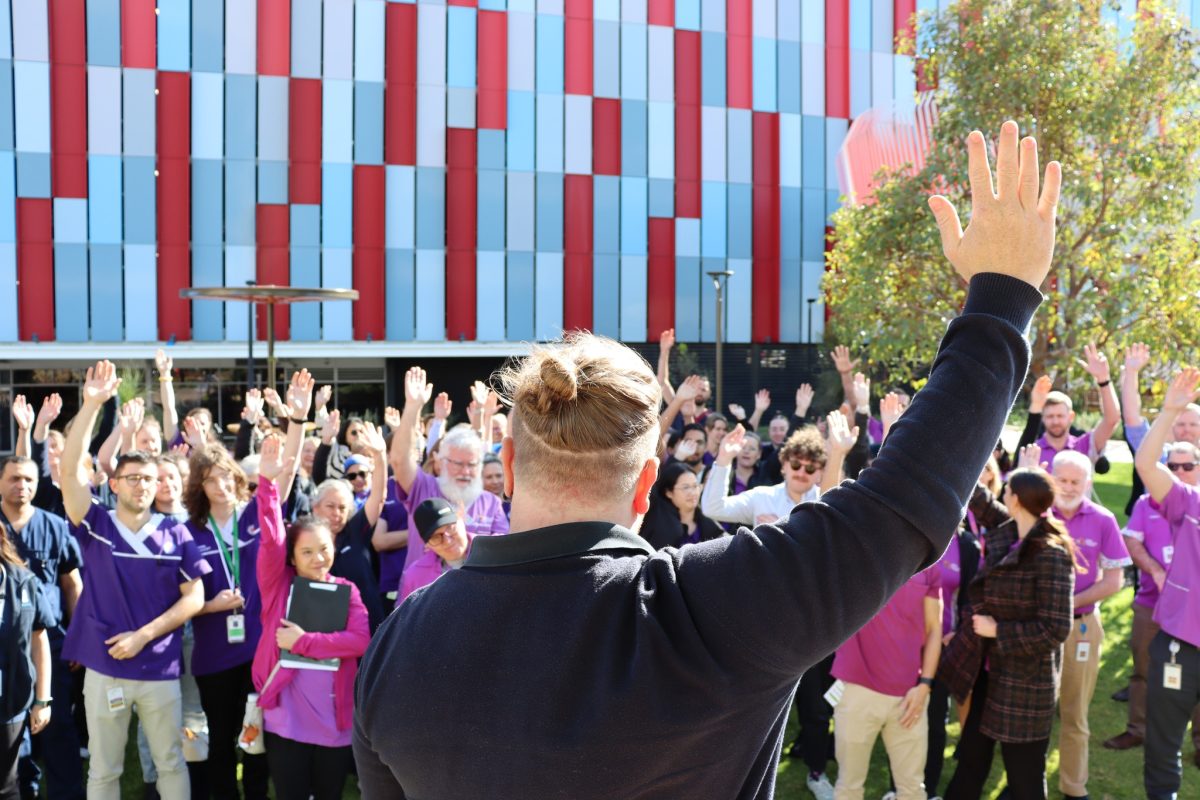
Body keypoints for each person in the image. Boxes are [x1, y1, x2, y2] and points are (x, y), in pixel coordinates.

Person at [351, 121, 1060, 797]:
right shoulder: (710, 609)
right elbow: (901, 507)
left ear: (507, 465)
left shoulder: (397, 648)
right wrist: (1001, 297)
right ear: (647, 484)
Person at [60, 360, 210, 800]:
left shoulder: (176, 532)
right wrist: (91, 405)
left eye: (150, 478)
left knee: (169, 762)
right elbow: (70, 472)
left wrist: (144, 635)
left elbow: (195, 596)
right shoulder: (96, 525)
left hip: (159, 667)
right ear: (116, 482)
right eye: (133, 478)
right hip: (105, 665)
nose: (143, 485)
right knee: (104, 770)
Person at [185, 382, 308, 800]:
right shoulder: (189, 532)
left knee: (257, 738)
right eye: (208, 479)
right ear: (198, 488)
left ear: (237, 478)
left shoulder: (257, 513)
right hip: (213, 654)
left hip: (259, 651)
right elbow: (174, 602)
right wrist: (207, 606)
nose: (219, 485)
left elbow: (285, 472)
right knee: (221, 740)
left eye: (224, 475)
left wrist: (297, 420)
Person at [939, 467, 1080, 800]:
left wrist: (997, 630)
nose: (1002, 496)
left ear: (1016, 500)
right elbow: (981, 501)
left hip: (1026, 688)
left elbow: (1056, 628)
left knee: (1025, 778)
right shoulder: (1011, 528)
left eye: (1006, 493)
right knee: (971, 760)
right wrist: (964, 450)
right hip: (990, 675)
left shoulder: (1051, 553)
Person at [252, 437, 370, 800]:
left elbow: (360, 641)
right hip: (286, 721)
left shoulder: (346, 589)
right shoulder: (279, 588)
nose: (318, 558)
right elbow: (271, 541)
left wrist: (303, 642)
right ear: (293, 558)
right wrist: (268, 486)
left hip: (334, 723)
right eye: (307, 552)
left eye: (324, 550)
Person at [1104, 441, 1200, 754]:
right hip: (1151, 601)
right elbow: (1132, 540)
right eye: (1172, 466)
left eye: (1187, 466)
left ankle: (1198, 741)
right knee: (1143, 670)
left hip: (1191, 613)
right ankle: (1137, 730)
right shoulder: (1147, 504)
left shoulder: (1195, 504)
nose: (1180, 472)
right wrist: (1157, 572)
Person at [0, 454, 84, 800]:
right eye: (15, 478)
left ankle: (66, 793)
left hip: (50, 642)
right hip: (6, 650)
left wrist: (78, 637)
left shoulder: (53, 525)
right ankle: (24, 790)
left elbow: (72, 584)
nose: (23, 486)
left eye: (30, 480)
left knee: (57, 727)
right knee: (14, 739)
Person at [1050, 449, 1130, 800]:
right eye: (1062, 480)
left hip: (1080, 626)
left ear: (1088, 482)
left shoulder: (1102, 519)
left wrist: (1065, 605)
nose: (1068, 487)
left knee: (1074, 713)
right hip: (1036, 630)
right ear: (1051, 479)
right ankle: (1027, 783)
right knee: (1032, 715)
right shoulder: (1038, 515)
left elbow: (1114, 581)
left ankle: (1074, 787)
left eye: (1075, 481)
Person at [1136, 369, 1200, 799]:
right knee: (1163, 751)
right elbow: (1145, 464)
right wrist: (1170, 412)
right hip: (1180, 645)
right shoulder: (1189, 501)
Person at [830, 566, 942, 800]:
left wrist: (924, 685)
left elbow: (934, 630)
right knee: (849, 786)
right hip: (856, 691)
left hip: (910, 697)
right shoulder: (858, 550)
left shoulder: (930, 565)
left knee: (912, 789)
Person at [391, 372, 510, 579]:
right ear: (441, 462)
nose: (465, 471)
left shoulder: (491, 503)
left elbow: (502, 556)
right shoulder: (424, 487)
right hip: (422, 598)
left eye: (472, 464)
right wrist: (412, 407)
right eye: (458, 464)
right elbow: (400, 461)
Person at [701, 422, 852, 527]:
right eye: (795, 465)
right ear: (784, 464)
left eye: (810, 468)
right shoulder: (762, 497)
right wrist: (724, 459)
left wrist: (780, 526)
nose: (801, 472)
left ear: (820, 472)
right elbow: (713, 509)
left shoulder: (824, 499)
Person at [317, 421, 388, 632]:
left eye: (342, 507)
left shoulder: (354, 531)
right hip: (327, 630)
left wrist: (380, 456)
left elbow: (378, 497)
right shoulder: (305, 536)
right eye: (330, 506)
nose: (336, 513)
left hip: (370, 625)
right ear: (315, 507)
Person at [0, 531, 54, 800]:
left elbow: (39, 640)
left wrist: (42, 700)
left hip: (11, 701)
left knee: (7, 785)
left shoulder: (23, 582)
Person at [1018, 343, 1121, 468]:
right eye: (1050, 416)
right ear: (1043, 418)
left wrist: (1103, 380)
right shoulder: (1032, 453)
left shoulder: (1084, 446)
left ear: (1071, 416)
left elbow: (1112, 420)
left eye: (1060, 415)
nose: (1055, 421)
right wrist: (1036, 405)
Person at [397, 498, 474, 603]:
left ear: (462, 519)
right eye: (436, 537)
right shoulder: (415, 576)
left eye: (450, 528)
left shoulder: (494, 552)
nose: (447, 541)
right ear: (427, 544)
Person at [639, 461, 725, 549]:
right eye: (686, 487)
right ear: (669, 492)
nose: (693, 493)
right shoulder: (655, 515)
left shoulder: (709, 524)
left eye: (695, 486)